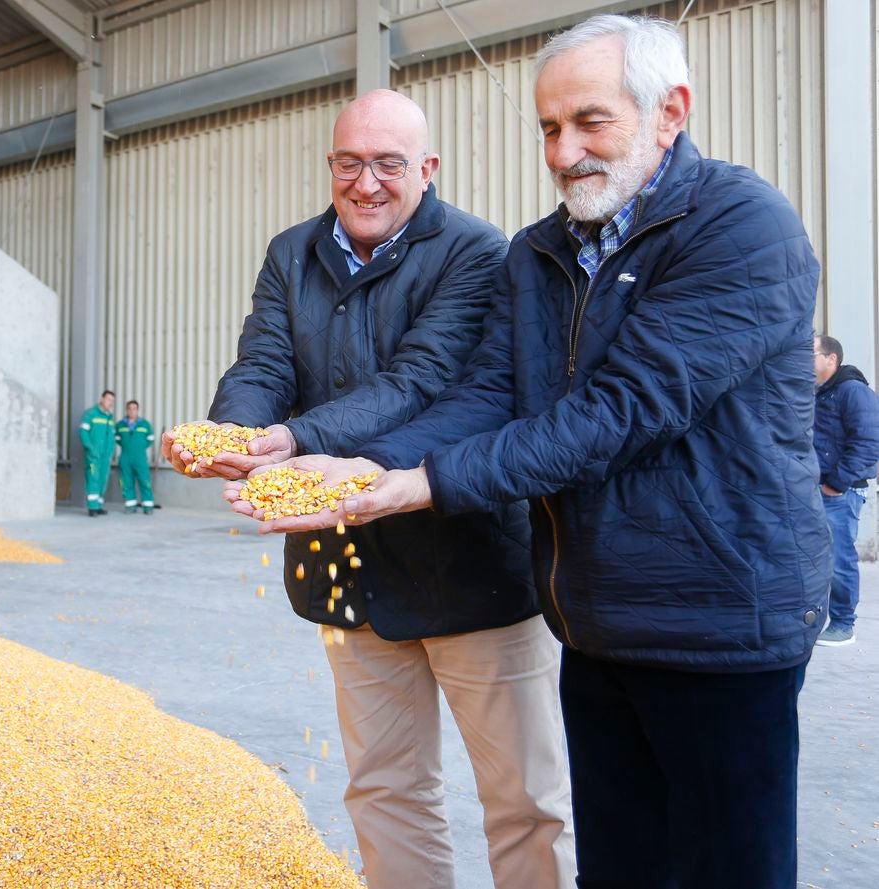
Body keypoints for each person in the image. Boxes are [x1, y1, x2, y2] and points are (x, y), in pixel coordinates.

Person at [233, 16, 829, 889]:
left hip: (718, 615)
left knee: (724, 864)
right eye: (549, 128)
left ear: (671, 112)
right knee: (619, 865)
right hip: (594, 616)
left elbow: (621, 410)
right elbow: (484, 393)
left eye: (592, 121)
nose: (565, 151)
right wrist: (371, 467)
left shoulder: (739, 226)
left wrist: (413, 485)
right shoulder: (540, 252)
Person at [165, 89, 574, 889]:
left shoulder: (474, 251)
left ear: (426, 168)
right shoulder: (293, 252)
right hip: (348, 562)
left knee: (524, 796)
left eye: (388, 164)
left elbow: (423, 378)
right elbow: (263, 361)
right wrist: (239, 430)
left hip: (468, 559)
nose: (367, 183)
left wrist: (296, 438)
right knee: (385, 785)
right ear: (329, 166)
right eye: (349, 163)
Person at [812, 334, 879, 646]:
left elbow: (868, 443)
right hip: (814, 490)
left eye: (810, 354)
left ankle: (843, 624)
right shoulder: (819, 393)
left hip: (840, 492)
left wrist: (836, 484)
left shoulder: (852, 391)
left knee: (839, 559)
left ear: (831, 359)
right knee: (815, 560)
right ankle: (814, 621)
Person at [78, 390, 116, 516]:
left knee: (103, 479)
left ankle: (99, 505)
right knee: (93, 478)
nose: (110, 403)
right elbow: (83, 432)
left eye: (112, 401)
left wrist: (111, 451)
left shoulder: (109, 417)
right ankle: (92, 507)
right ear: (101, 399)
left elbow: (111, 436)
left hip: (105, 455)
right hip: (94, 454)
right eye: (108, 399)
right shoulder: (91, 414)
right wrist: (90, 447)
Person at [116, 400, 156, 514]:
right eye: (130, 408)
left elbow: (150, 440)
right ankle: (130, 505)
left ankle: (148, 506)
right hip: (125, 458)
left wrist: (139, 447)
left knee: (144, 481)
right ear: (127, 410)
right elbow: (118, 440)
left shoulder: (145, 424)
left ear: (137, 410)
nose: (132, 411)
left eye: (134, 408)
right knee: (126, 482)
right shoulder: (120, 425)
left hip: (140, 458)